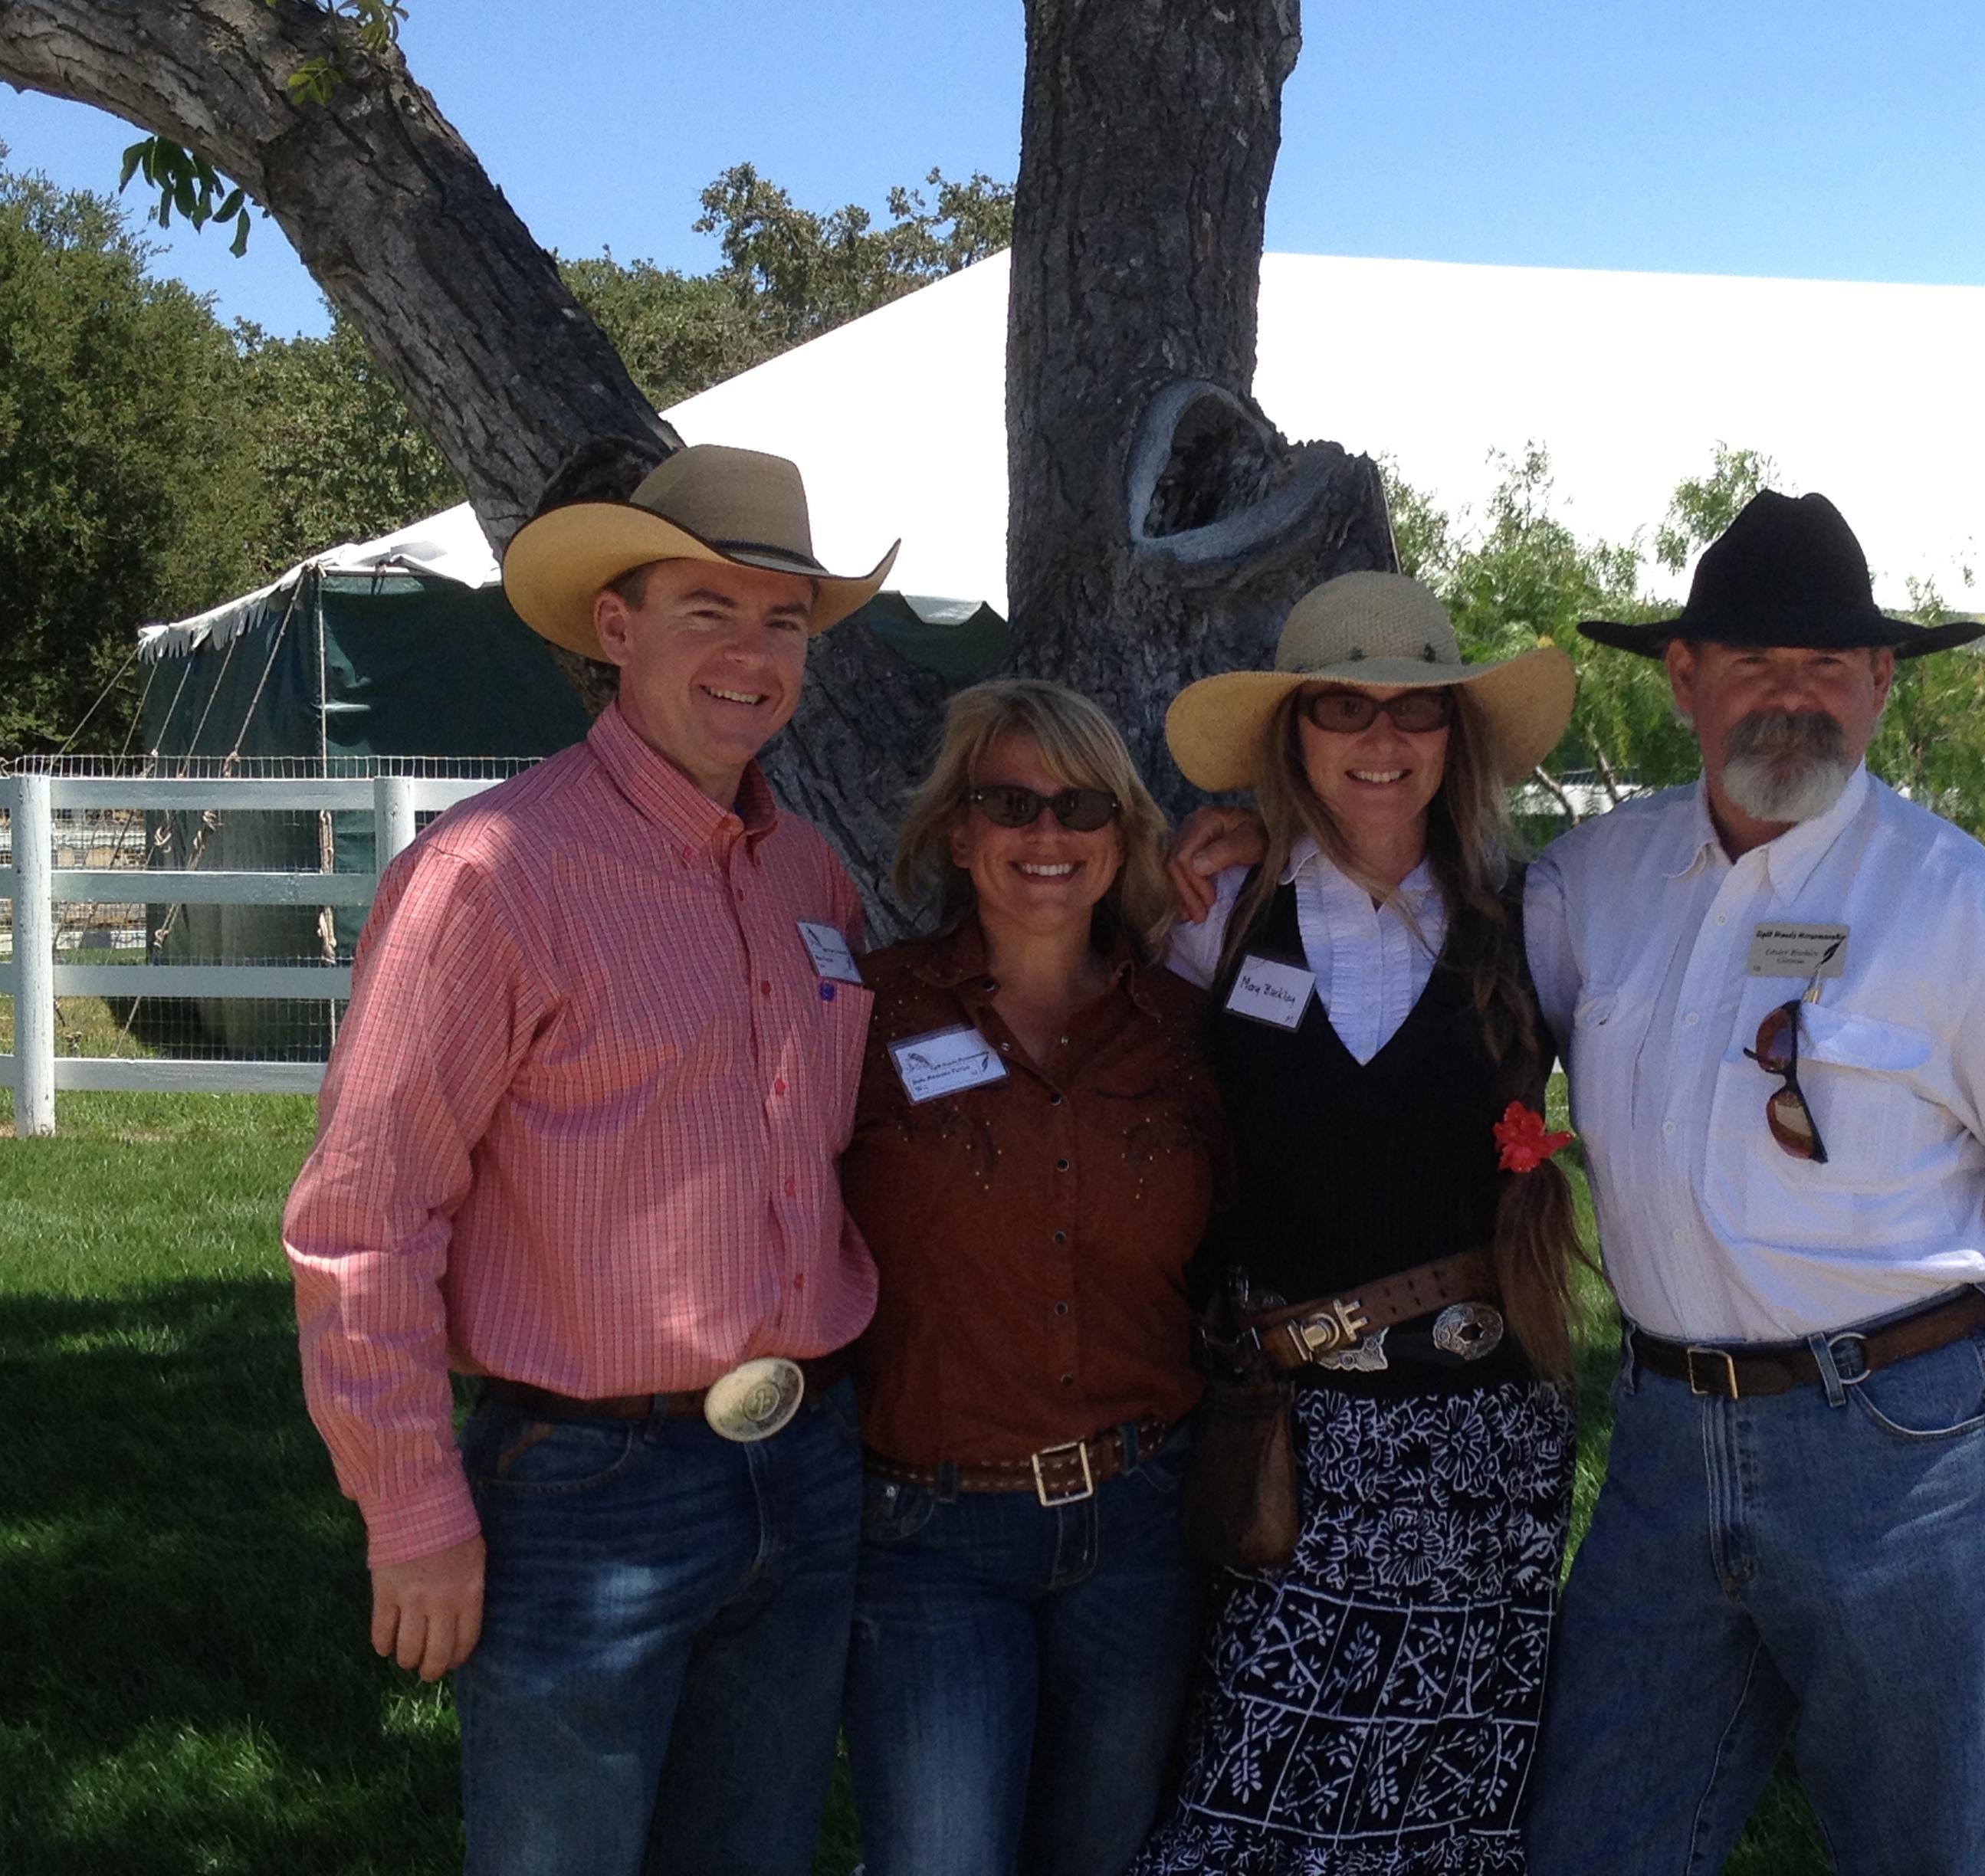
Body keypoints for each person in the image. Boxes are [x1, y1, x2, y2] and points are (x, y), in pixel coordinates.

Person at [283, 444, 899, 1876]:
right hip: (585, 1485)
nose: (753, 655)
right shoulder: (494, 876)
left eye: (785, 621)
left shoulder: (809, 877)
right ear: (616, 628)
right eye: (709, 612)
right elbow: (365, 1217)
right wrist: (413, 1506)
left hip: (803, 1462)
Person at [1520, 490, 1985, 1874]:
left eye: (1828, 668)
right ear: (1685, 679)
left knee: (1910, 1852)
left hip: (1902, 1452)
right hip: (1667, 1450)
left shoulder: (1967, 914)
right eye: (1756, 662)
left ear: (1880, 685)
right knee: (1590, 1840)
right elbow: (1447, 991)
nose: (1793, 699)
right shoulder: (1590, 884)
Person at [1130, 570, 1587, 1875]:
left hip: (1483, 1444)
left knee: (1447, 1810)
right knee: (1252, 1800)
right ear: (1296, 733)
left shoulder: (1527, 912)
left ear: (1458, 737)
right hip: (1286, 1442)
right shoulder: (1215, 911)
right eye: (1344, 707)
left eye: (1418, 711)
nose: (1383, 744)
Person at [840, 679, 1227, 1876]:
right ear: (959, 832)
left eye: (1082, 806)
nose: (1049, 836)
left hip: (1141, 1525)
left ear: (1125, 838)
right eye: (1011, 803)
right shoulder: (871, 1013)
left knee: (1100, 1854)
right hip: (930, 1535)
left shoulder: (1181, 1029)